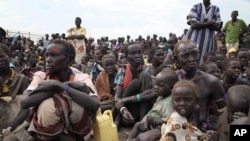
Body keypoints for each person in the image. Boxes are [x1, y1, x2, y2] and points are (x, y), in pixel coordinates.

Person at [9, 40, 99, 141]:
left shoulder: (81, 78)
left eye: (54, 55)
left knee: (77, 104)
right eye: (46, 55)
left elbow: (95, 104)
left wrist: (60, 86)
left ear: (70, 60)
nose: (48, 60)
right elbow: (25, 102)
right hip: (47, 132)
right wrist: (58, 86)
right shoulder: (41, 76)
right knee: (47, 104)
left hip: (74, 131)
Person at [173, 40, 226, 140]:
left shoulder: (211, 81)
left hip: (202, 129)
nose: (192, 59)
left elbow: (224, 110)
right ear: (176, 59)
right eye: (185, 55)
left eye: (194, 54)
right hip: (174, 124)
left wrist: (218, 129)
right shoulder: (171, 79)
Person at [127, 70, 179, 141]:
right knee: (137, 124)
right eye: (155, 84)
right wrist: (146, 119)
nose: (155, 87)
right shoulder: (161, 96)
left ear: (171, 88)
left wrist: (153, 120)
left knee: (142, 138)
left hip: (160, 127)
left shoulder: (169, 104)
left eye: (160, 85)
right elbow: (153, 109)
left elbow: (167, 123)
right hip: (150, 123)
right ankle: (129, 139)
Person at [114, 42, 153, 127]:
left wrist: (129, 99)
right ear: (127, 57)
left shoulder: (148, 70)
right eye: (133, 53)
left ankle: (142, 122)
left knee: (143, 77)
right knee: (135, 83)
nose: (137, 55)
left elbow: (152, 92)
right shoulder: (122, 70)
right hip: (128, 108)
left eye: (139, 52)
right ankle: (119, 116)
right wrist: (123, 110)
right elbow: (117, 96)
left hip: (142, 107)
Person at [0, 43, 30, 140]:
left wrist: (11, 125)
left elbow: (27, 108)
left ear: (9, 56)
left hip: (17, 123)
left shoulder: (22, 80)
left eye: (2, 56)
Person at [183, 0, 223, 65]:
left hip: (208, 41)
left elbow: (218, 27)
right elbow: (193, 24)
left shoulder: (215, 9)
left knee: (205, 61)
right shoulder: (196, 7)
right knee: (190, 58)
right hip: (193, 39)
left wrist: (200, 23)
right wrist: (210, 23)